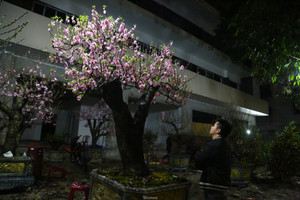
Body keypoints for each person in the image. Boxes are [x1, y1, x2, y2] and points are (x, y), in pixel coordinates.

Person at [194, 119, 232, 200]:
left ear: (218, 130)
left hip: (213, 184)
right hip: (221, 183)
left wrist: (198, 153)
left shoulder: (214, 145)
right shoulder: (224, 145)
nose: (211, 127)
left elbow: (199, 161)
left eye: (213, 126)